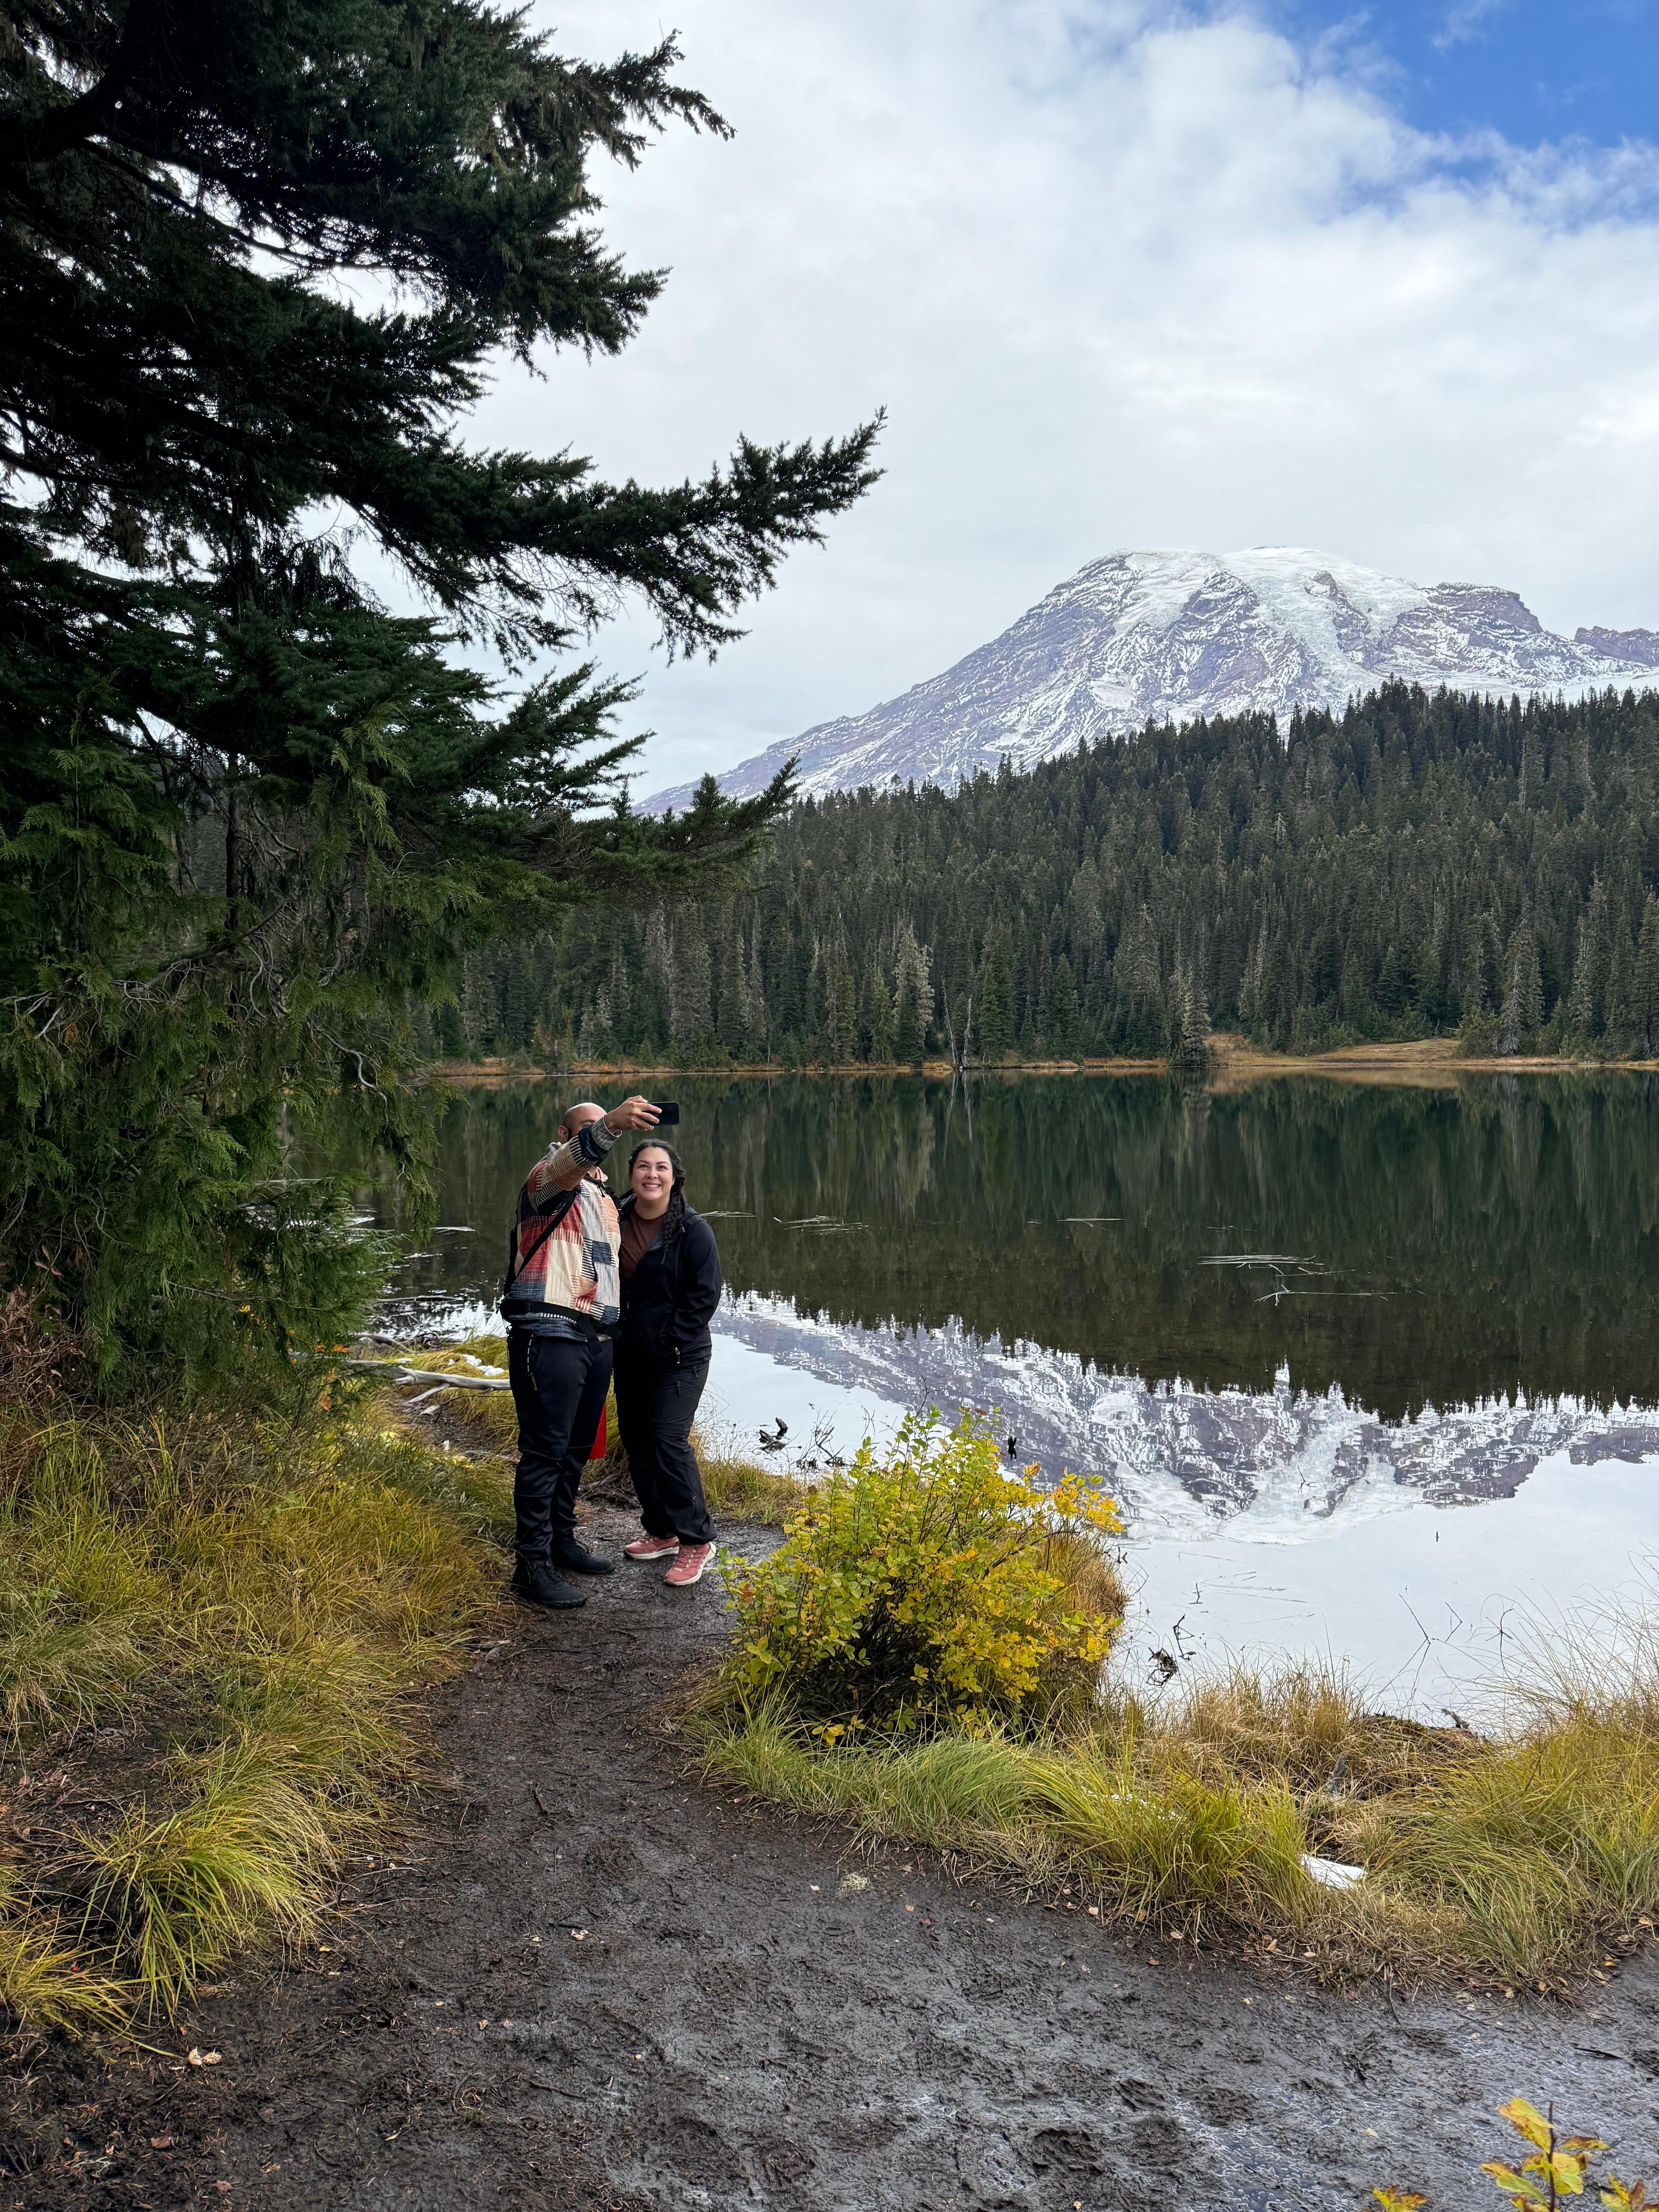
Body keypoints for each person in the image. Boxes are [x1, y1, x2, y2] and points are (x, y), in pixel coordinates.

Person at [500, 1095, 661, 1610]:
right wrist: (610, 1124)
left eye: (602, 1126)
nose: (598, 1134)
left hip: (595, 1340)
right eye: (587, 1127)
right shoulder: (547, 1179)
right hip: (549, 1333)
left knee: (574, 1451)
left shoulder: (605, 1198)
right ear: (565, 1135)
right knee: (545, 1451)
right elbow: (574, 1162)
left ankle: (560, 1540)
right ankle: (531, 1566)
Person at [613, 1139, 723, 1587]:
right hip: (629, 1353)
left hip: (680, 1356)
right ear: (632, 1173)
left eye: (661, 1168)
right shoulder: (614, 1218)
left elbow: (704, 1297)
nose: (652, 1175)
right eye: (644, 1166)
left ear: (675, 1178)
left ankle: (697, 1540)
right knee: (637, 1440)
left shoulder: (693, 1232)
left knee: (667, 1438)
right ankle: (662, 1531)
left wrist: (668, 1341)